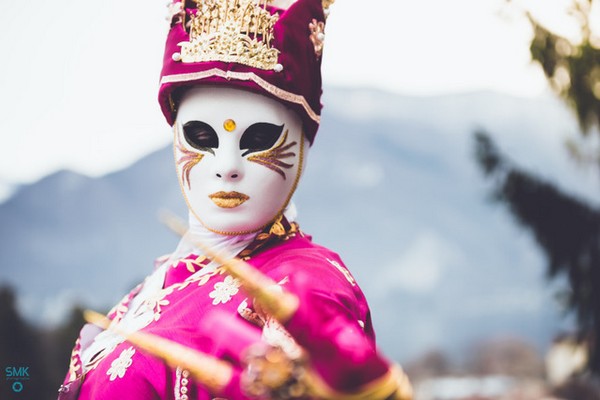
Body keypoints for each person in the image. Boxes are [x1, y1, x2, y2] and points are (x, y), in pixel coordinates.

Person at [58, 0, 413, 399]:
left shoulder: (305, 290)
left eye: (259, 139)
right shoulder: (164, 280)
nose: (227, 167)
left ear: (304, 144)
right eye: (202, 137)